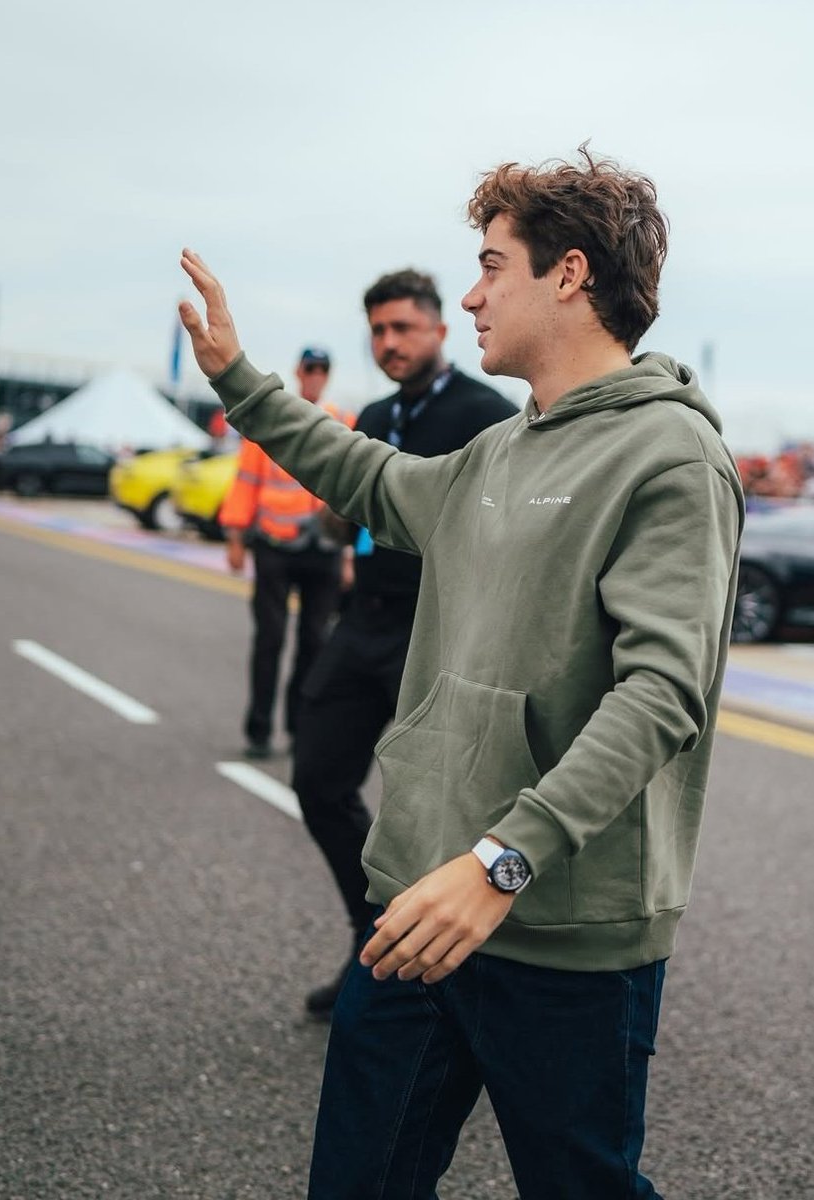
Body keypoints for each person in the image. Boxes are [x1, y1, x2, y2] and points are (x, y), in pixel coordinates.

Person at [179, 147, 744, 1199]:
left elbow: (661, 696)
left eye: (490, 266)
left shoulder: (670, 456)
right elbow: (366, 473)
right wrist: (236, 379)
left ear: (568, 275)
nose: (472, 296)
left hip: (557, 937)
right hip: (416, 909)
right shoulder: (499, 450)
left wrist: (500, 866)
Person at [291, 270, 517, 1017]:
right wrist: (331, 514)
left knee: (439, 815)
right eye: (378, 331)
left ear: (439, 331)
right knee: (317, 780)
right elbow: (350, 510)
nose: (388, 342)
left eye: (402, 328)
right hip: (363, 621)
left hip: (441, 629)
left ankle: (447, 974)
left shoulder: (488, 416)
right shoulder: (376, 414)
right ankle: (377, 937)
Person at [219, 347, 354, 757]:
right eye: (310, 368)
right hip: (275, 545)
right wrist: (235, 538)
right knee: (270, 640)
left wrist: (350, 555)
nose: (316, 376)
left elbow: (354, 492)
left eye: (323, 370)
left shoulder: (345, 422)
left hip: (324, 549)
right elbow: (245, 481)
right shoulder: (272, 418)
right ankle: (259, 732)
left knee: (315, 642)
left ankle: (300, 730)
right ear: (298, 371)